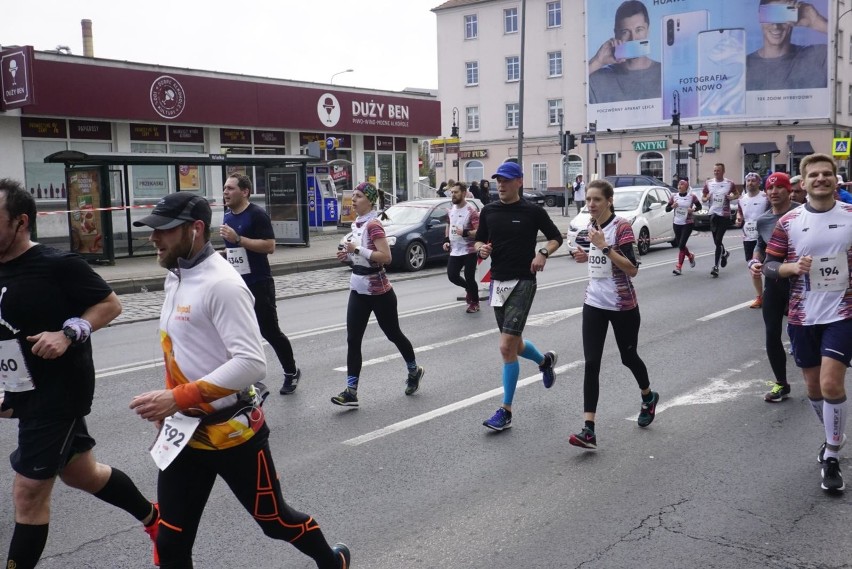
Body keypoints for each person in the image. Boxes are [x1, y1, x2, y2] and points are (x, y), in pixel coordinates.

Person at [129, 192, 350, 567]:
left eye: (163, 230)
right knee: (170, 542)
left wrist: (177, 397)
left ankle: (331, 561)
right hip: (185, 433)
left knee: (275, 521)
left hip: (232, 433)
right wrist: (169, 404)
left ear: (196, 230)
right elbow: (185, 353)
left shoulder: (223, 285)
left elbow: (251, 363)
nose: (154, 238)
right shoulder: (176, 277)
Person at [0, 178, 159, 569]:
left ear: (20, 222)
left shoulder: (57, 264)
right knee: (82, 473)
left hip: (57, 392)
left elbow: (110, 304)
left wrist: (68, 333)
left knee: (28, 493)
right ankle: (158, 521)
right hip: (19, 388)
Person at [761, 153, 851, 493]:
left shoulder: (850, 216)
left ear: (836, 179)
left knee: (830, 385)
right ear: (803, 182)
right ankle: (833, 434)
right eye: (814, 175)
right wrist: (791, 268)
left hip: (843, 313)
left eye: (827, 174)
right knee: (813, 389)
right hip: (803, 315)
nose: (821, 179)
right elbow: (770, 265)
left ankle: (832, 454)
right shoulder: (790, 222)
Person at [567, 179, 658, 450]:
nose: (591, 205)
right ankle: (589, 429)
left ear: (609, 201)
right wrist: (585, 254)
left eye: (596, 200)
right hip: (594, 303)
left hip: (622, 305)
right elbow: (595, 257)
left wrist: (606, 248)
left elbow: (632, 269)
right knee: (591, 362)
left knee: (628, 357)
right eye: (588, 200)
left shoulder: (622, 227)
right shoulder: (591, 227)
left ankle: (648, 396)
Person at [474, 162, 562, 432]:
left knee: (505, 347)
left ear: (519, 182)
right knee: (515, 344)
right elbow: (478, 241)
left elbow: (556, 237)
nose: (500, 185)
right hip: (498, 282)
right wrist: (481, 250)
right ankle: (544, 361)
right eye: (498, 180)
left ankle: (506, 410)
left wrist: (542, 253)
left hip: (524, 281)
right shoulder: (489, 211)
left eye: (507, 180)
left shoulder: (532, 211)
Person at [331, 182, 424, 407]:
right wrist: (348, 257)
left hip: (379, 291)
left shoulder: (373, 225)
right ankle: (351, 391)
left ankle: (414, 370)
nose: (353, 200)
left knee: (393, 334)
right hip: (358, 288)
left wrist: (357, 250)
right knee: (353, 340)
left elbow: (386, 257)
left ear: (370, 201)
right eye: (353, 196)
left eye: (359, 196)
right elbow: (359, 257)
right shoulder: (357, 224)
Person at [219, 174, 301, 395]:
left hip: (259, 282)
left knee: (269, 331)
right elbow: (235, 252)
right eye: (225, 188)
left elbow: (269, 246)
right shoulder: (227, 216)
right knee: (238, 334)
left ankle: (291, 371)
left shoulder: (256, 214)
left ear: (244, 191)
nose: (226, 192)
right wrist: (218, 256)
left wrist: (238, 239)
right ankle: (247, 380)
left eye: (230, 188)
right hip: (236, 285)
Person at [748, 172, 800, 402]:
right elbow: (760, 245)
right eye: (770, 188)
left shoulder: (802, 212)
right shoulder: (764, 220)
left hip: (802, 284)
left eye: (779, 187)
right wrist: (754, 261)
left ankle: (818, 374)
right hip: (775, 283)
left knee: (805, 334)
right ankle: (781, 383)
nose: (774, 191)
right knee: (771, 334)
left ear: (789, 190)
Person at [588, 0, 661, 104]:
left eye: (639, 29)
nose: (633, 38)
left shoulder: (665, 74)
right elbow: (568, 90)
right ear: (616, 34)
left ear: (648, 30)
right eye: (625, 32)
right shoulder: (596, 80)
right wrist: (598, 61)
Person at [746, 0, 828, 91]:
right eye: (770, 15)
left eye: (782, 15)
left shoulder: (818, 57)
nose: (776, 26)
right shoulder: (743, 67)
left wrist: (816, 22)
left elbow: (844, 43)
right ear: (759, 17)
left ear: (793, 16)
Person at [443, 182, 481, 313]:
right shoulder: (451, 209)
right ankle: (469, 289)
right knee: (452, 275)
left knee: (469, 277)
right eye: (451, 192)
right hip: (455, 249)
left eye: (456, 192)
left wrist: (465, 232)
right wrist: (446, 240)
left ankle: (474, 303)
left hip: (469, 249)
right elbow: (449, 225)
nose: (452, 195)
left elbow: (479, 231)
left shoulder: (471, 211)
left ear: (463, 193)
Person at [736, 173, 770, 308]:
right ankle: (760, 297)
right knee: (753, 267)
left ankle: (771, 293)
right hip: (748, 237)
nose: (750, 183)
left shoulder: (765, 198)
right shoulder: (741, 199)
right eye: (748, 181)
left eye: (753, 181)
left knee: (768, 266)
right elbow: (740, 213)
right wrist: (738, 218)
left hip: (764, 236)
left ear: (759, 183)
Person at [701, 163, 740, 277]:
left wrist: (732, 197)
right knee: (716, 242)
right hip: (712, 214)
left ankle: (716, 267)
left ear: (723, 171)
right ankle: (724, 253)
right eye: (715, 171)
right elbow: (703, 198)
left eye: (718, 170)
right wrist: (706, 198)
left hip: (724, 215)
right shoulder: (709, 183)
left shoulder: (729, 183)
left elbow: (737, 194)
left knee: (718, 240)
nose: (716, 172)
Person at [665, 177, 701, 275]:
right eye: (679, 184)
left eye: (682, 185)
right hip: (676, 223)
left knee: (681, 245)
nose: (679, 186)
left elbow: (699, 206)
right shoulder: (674, 196)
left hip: (687, 223)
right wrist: (672, 206)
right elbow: (667, 209)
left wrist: (692, 210)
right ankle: (690, 256)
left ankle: (679, 267)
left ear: (686, 187)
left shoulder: (692, 197)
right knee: (681, 244)